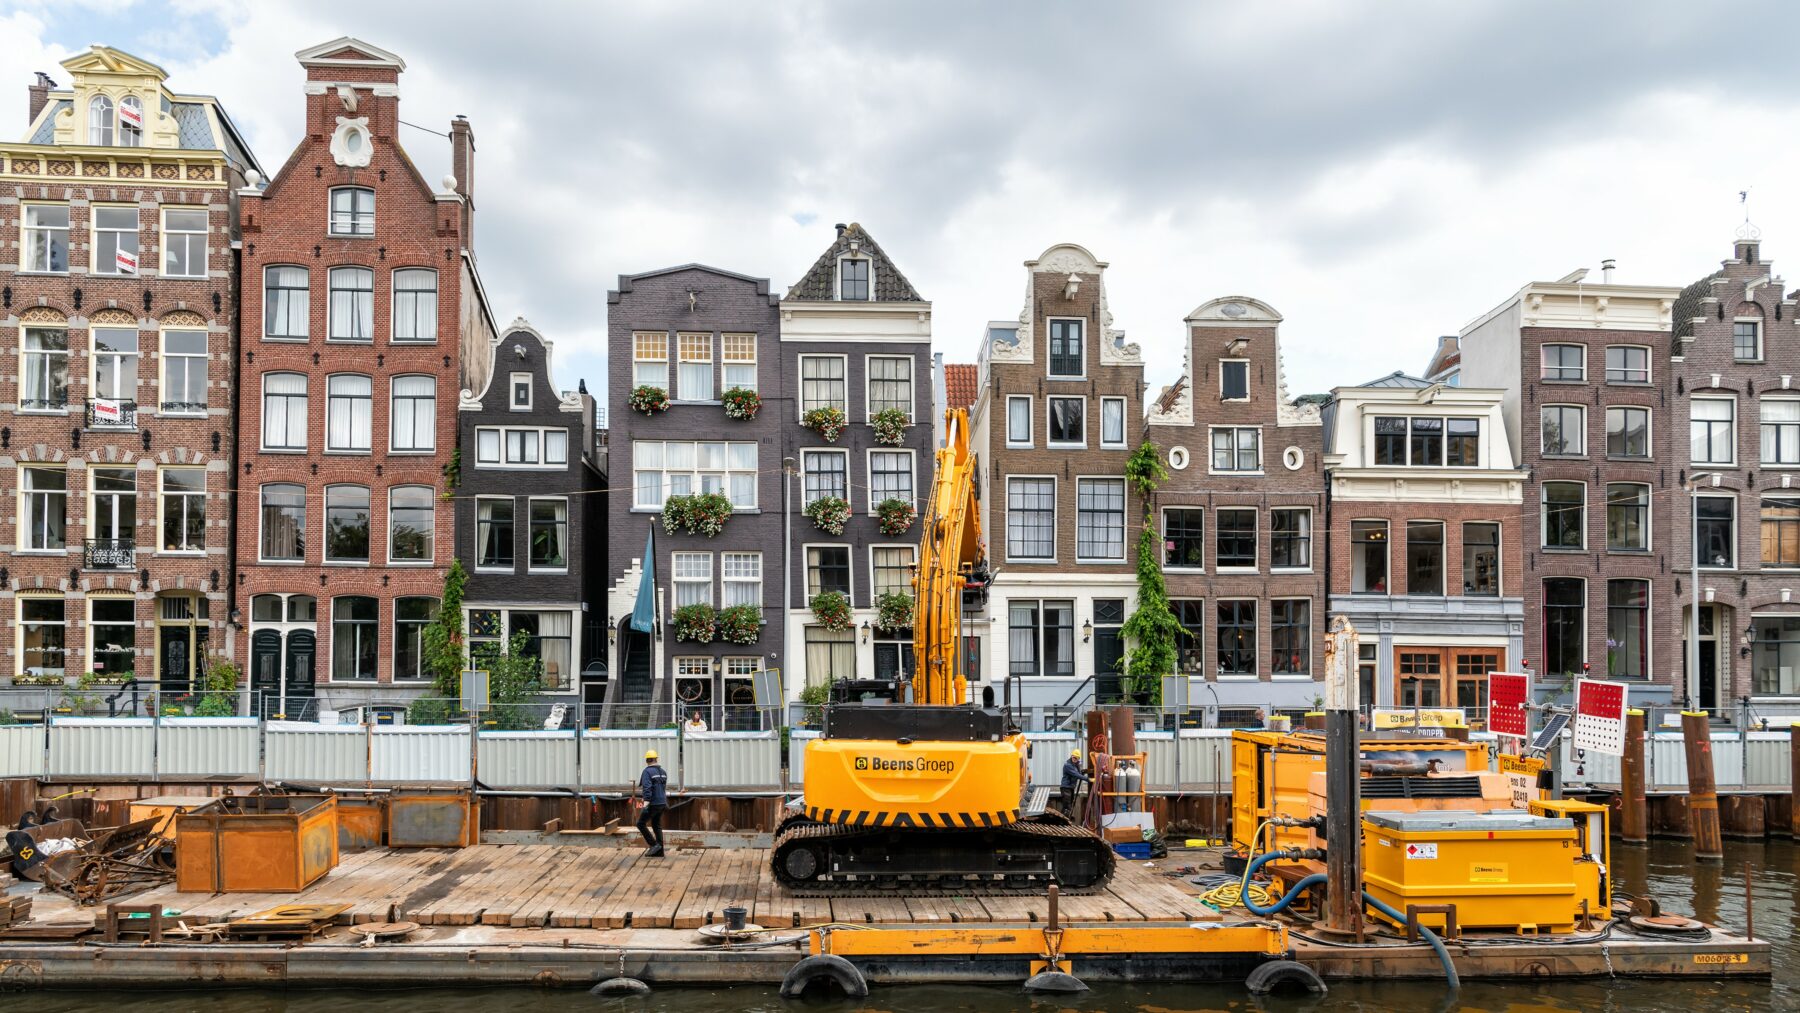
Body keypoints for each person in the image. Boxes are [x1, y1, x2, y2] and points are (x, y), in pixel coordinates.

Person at [636, 748, 668, 857]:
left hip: (653, 803)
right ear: (656, 759)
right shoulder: (663, 772)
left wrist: (646, 803)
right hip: (662, 802)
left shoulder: (647, 772)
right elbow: (661, 788)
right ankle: (660, 851)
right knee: (656, 825)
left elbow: (647, 788)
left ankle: (654, 845)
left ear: (647, 760)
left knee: (640, 824)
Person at [1059, 749, 1090, 816]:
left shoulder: (1075, 765)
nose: (1075, 759)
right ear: (1071, 756)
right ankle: (1063, 823)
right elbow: (1076, 774)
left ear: (1078, 759)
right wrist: (1088, 779)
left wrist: (1080, 767)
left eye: (1077, 758)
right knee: (1067, 807)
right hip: (1066, 788)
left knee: (1068, 806)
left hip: (1070, 788)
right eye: (1074, 757)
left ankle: (1063, 821)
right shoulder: (1068, 765)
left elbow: (1078, 772)